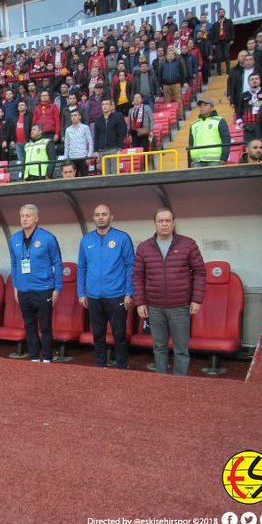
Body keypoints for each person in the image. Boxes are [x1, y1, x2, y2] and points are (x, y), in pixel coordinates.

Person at [133, 208, 206, 375]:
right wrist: (140, 303)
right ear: (155, 224)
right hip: (155, 307)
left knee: (181, 349)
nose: (164, 224)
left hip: (180, 306)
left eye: (168, 221)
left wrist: (197, 299)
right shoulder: (144, 248)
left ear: (173, 223)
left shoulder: (188, 244)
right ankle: (162, 380)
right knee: (159, 347)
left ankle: (179, 383)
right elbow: (137, 276)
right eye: (161, 221)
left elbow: (200, 272)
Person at [76, 205, 135, 369]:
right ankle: (100, 365)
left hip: (116, 295)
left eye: (104, 214)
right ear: (93, 218)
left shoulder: (122, 238)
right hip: (94, 296)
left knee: (119, 334)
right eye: (97, 215)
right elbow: (82, 267)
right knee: (98, 334)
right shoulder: (86, 240)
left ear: (111, 217)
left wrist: (129, 292)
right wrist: (81, 293)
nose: (100, 217)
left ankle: (122, 366)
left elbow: (131, 266)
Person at [8, 204, 63, 362]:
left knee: (45, 326)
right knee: (29, 325)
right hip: (23, 290)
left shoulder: (48, 238)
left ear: (36, 219)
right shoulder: (14, 239)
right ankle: (33, 357)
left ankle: (46, 358)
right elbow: (14, 264)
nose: (24, 219)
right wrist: (16, 287)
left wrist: (57, 288)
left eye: (28, 216)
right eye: (22, 216)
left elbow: (57, 264)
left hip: (44, 288)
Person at [189, 98, 230, 167]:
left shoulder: (220, 121)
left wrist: (224, 158)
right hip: (197, 160)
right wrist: (191, 160)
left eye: (205, 105)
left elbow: (226, 140)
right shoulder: (194, 124)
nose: (202, 107)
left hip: (215, 160)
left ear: (212, 108)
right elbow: (191, 143)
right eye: (200, 106)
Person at [94, 99, 126, 175]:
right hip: (102, 151)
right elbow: (96, 137)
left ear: (111, 106)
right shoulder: (98, 120)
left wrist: (120, 148)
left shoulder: (117, 118)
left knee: (114, 174)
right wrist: (96, 151)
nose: (105, 106)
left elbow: (120, 134)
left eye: (107, 104)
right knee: (105, 175)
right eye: (103, 104)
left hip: (113, 149)